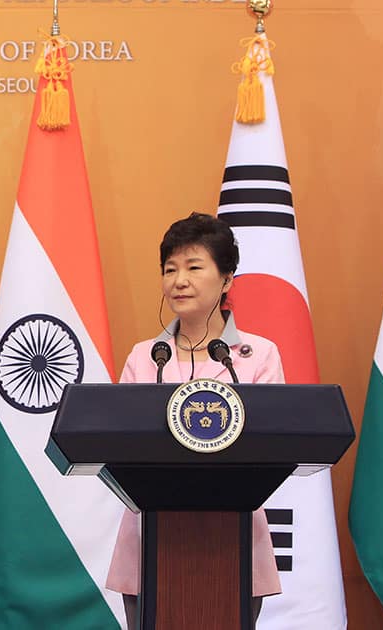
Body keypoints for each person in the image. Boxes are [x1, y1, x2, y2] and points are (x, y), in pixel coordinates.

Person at [105, 212, 282, 627]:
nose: (178, 280)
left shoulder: (258, 356)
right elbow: (116, 441)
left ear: (227, 279)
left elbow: (274, 442)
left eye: (193, 267)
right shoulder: (145, 357)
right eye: (170, 269)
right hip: (150, 538)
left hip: (233, 540)